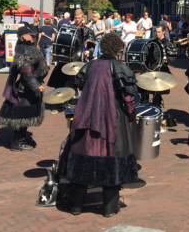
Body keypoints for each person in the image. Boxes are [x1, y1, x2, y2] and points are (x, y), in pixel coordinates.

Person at [59, 33, 140, 216]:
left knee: (82, 160)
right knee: (112, 162)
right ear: (118, 49)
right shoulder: (120, 67)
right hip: (111, 120)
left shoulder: (90, 65)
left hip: (86, 118)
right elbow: (128, 97)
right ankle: (109, 208)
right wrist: (131, 114)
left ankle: (76, 207)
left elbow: (78, 86)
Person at [0, 24, 49, 151]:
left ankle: (21, 140)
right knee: (22, 117)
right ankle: (17, 143)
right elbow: (26, 71)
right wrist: (36, 86)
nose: (33, 36)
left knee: (24, 117)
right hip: (27, 88)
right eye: (30, 34)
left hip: (28, 87)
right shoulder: (25, 49)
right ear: (24, 37)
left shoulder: (25, 47)